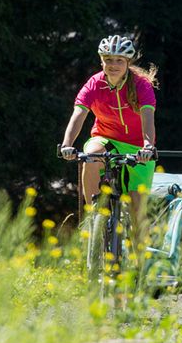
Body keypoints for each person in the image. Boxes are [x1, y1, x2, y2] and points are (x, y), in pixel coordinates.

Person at [60, 35, 158, 219]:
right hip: (105, 138)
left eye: (119, 60)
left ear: (128, 62)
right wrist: (67, 144)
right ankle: (93, 218)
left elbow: (147, 118)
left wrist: (148, 146)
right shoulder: (94, 84)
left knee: (138, 215)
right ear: (101, 61)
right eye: (108, 60)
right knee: (90, 155)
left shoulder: (141, 85)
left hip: (139, 146)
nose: (113, 65)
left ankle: (139, 247)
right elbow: (78, 115)